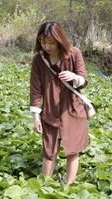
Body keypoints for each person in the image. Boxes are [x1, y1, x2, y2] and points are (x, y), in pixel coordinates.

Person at [30, 21, 90, 184]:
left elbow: (84, 80)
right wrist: (36, 117)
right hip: (50, 110)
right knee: (49, 151)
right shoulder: (38, 60)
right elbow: (35, 89)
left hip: (72, 109)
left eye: (51, 42)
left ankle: (69, 186)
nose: (47, 46)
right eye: (43, 42)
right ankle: (45, 185)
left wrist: (74, 77)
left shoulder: (74, 53)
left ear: (59, 39)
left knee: (72, 150)